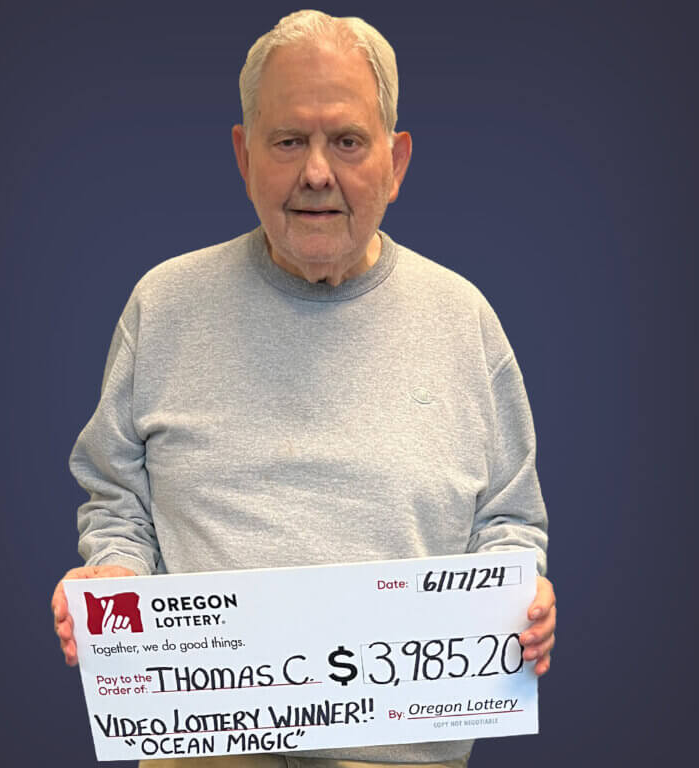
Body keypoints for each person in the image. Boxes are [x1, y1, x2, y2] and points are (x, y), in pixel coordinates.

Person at [52, 10, 556, 768]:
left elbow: (509, 521)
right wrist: (114, 579)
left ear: (396, 161)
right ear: (243, 155)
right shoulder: (163, 306)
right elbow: (118, 502)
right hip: (204, 745)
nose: (317, 173)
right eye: (289, 141)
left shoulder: (464, 320)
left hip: (400, 753)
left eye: (347, 141)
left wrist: (519, 593)